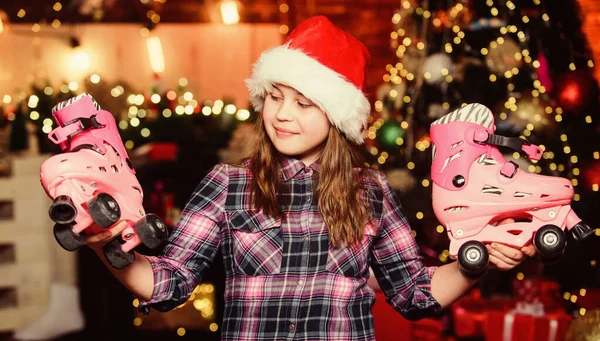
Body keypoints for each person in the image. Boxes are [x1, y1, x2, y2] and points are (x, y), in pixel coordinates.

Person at [86, 16, 536, 341]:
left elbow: (416, 295)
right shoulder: (227, 183)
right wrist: (103, 243)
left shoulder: (372, 191)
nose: (281, 114)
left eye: (304, 104)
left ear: (337, 115)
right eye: (275, 97)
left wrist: (480, 261)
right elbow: (168, 284)